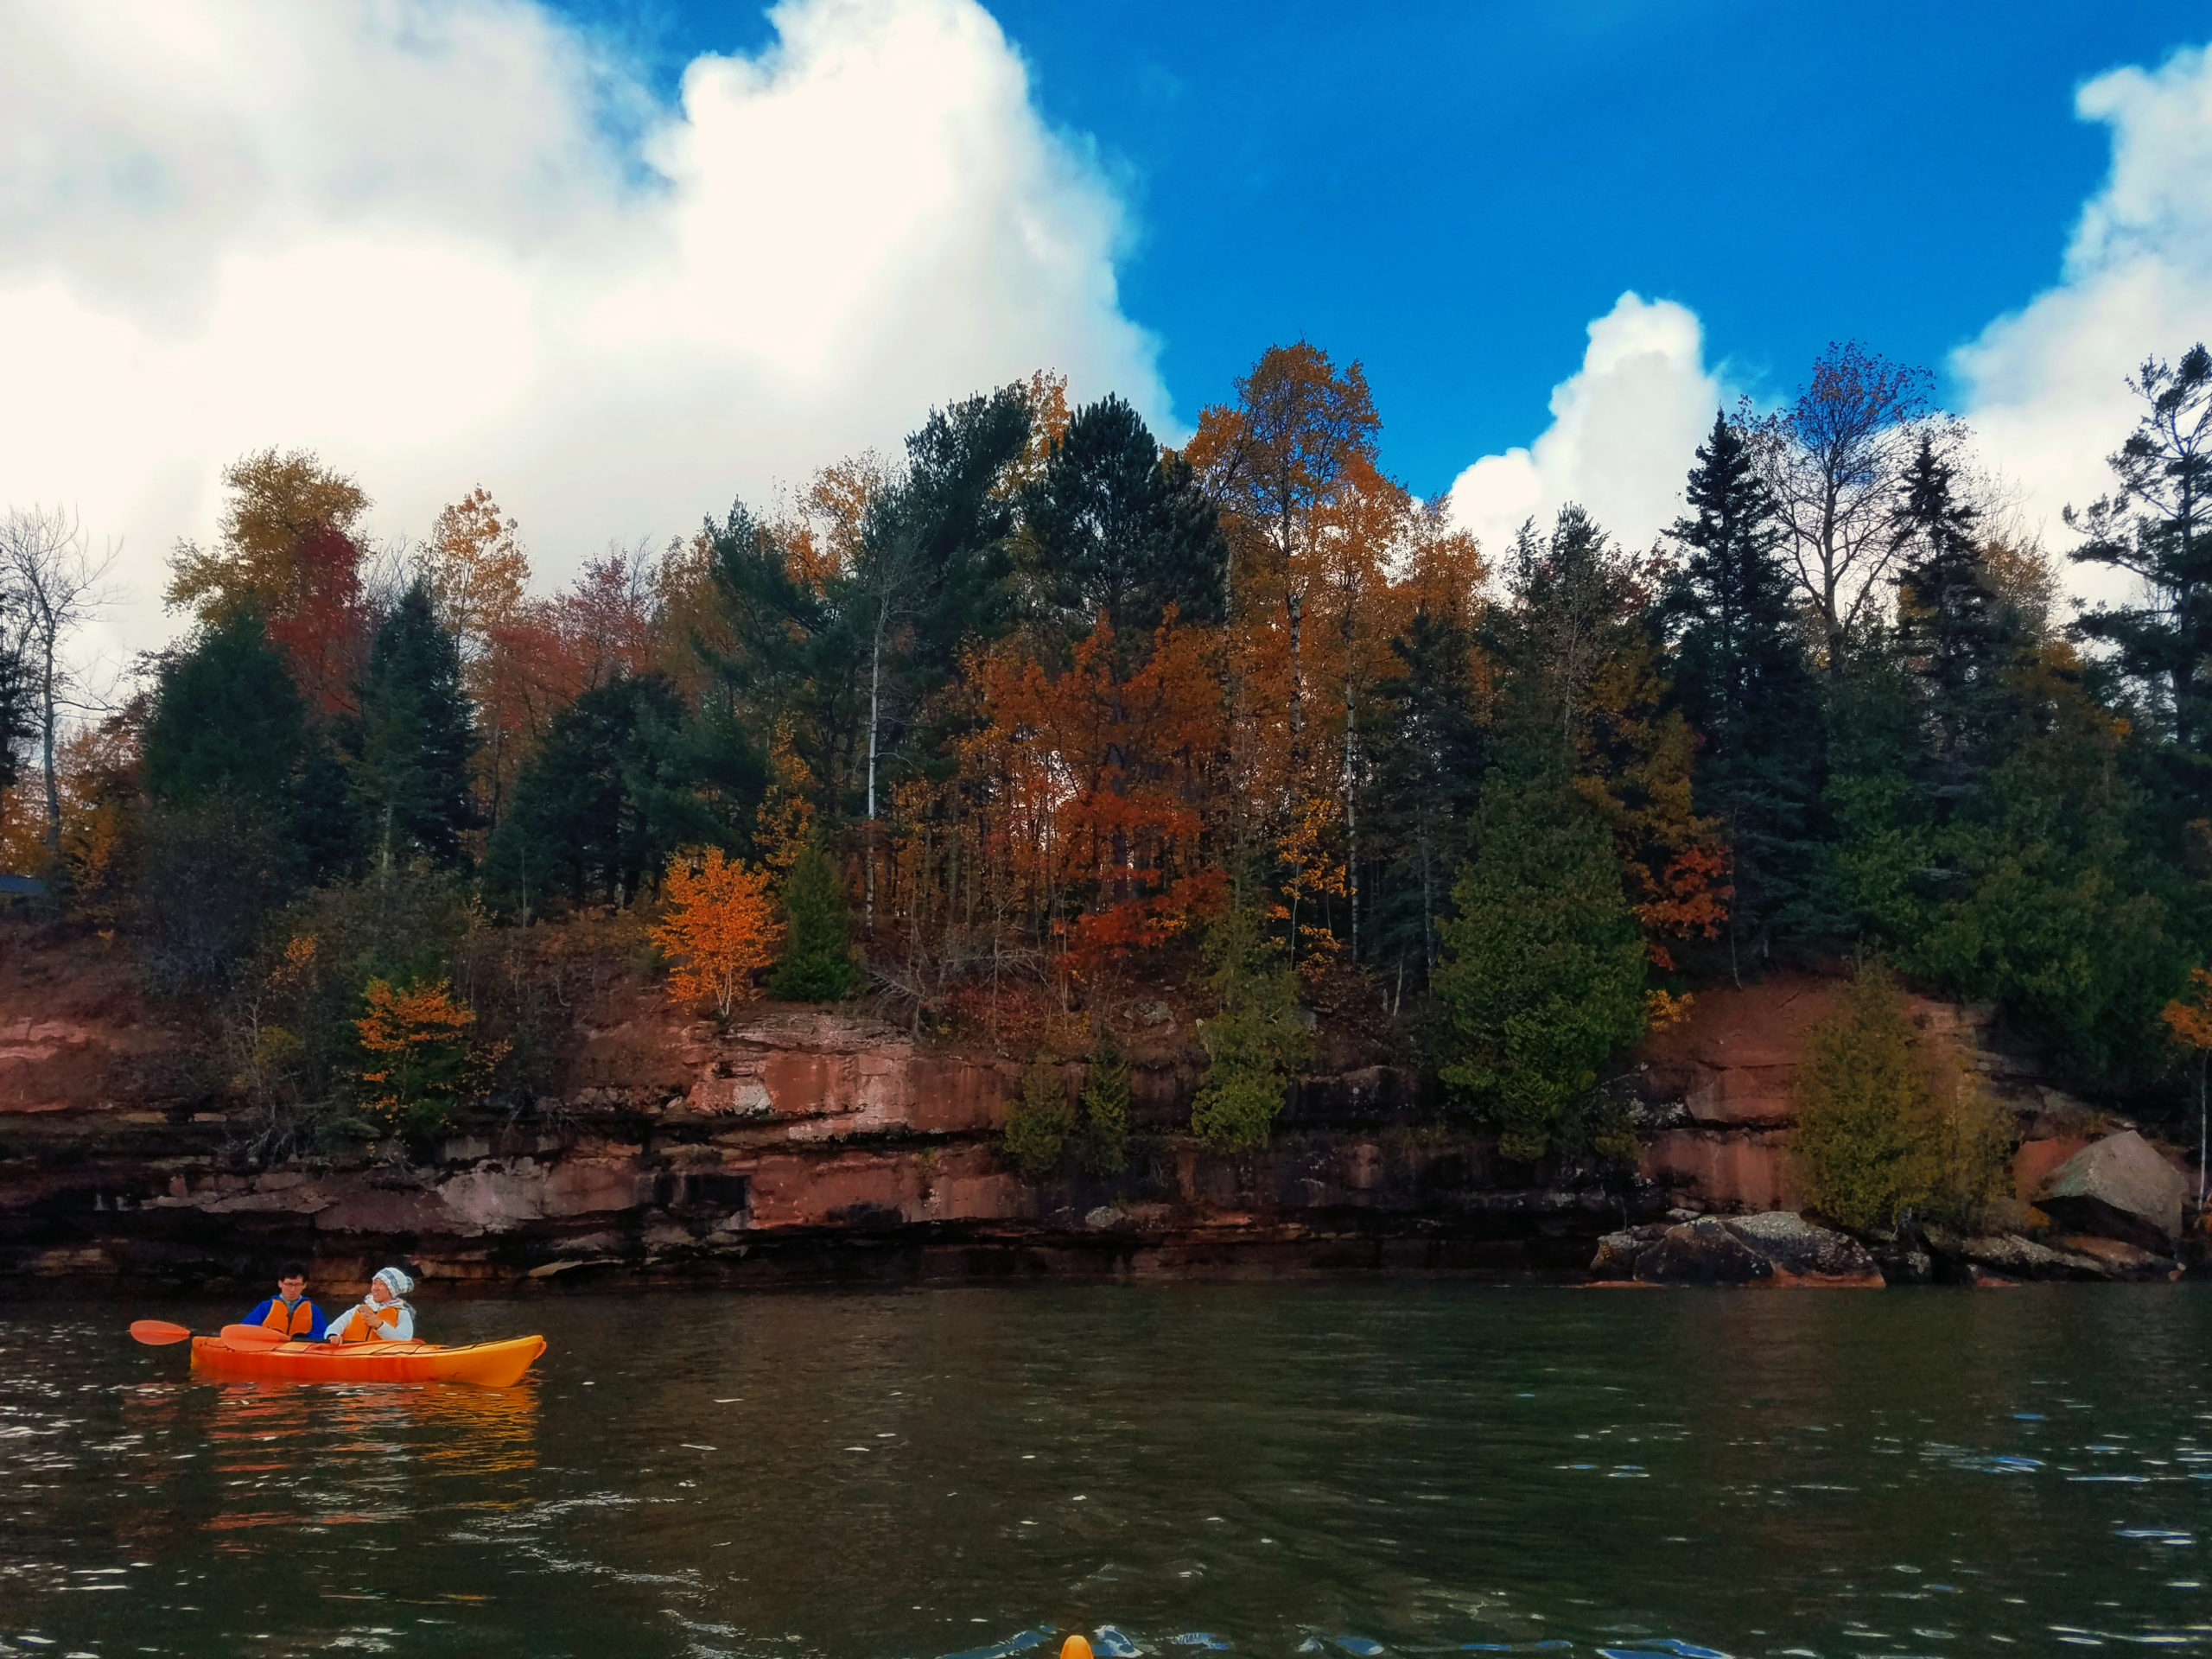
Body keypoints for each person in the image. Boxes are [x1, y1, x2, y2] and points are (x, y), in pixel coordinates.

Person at [324, 1266, 418, 1344]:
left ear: (392, 1290)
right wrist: (333, 1335)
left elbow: (404, 1341)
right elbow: (336, 1326)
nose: (375, 1288)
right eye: (374, 1283)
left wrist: (380, 1325)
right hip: (351, 1355)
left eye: (381, 1284)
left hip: (380, 1359)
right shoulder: (359, 1309)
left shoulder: (402, 1313)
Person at [243, 1264, 325, 1340]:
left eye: (297, 1285)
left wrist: (304, 1338)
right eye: (289, 1284)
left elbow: (322, 1334)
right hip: (270, 1350)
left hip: (300, 1351)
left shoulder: (314, 1310)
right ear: (280, 1283)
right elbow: (245, 1329)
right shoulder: (265, 1307)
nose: (292, 1289)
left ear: (304, 1285)